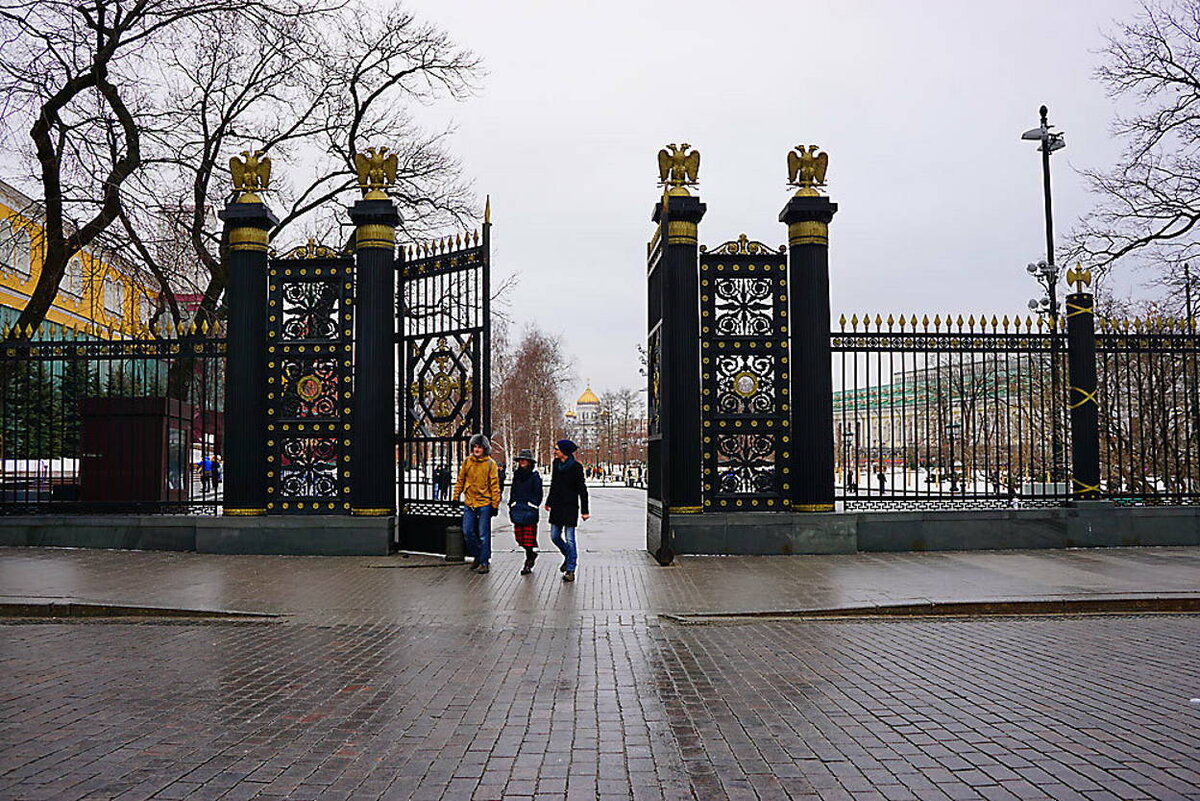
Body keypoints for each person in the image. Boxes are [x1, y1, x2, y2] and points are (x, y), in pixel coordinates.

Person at [453, 434, 501, 574]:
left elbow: (494, 485)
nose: (477, 449)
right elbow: (460, 480)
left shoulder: (490, 464)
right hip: (469, 502)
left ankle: (484, 562)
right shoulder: (467, 462)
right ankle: (478, 555)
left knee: (483, 534)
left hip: (484, 503)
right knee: (467, 531)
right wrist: (455, 497)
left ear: (484, 448)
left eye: (479, 447)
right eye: (475, 446)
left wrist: (495, 505)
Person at [545, 438, 589, 582]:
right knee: (554, 536)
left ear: (564, 451)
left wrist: (585, 510)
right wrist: (549, 501)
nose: (554, 451)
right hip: (557, 506)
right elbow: (554, 484)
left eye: (557, 448)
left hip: (570, 507)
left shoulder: (576, 467)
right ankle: (568, 555)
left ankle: (571, 569)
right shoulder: (556, 464)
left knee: (570, 538)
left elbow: (582, 489)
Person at [508, 448, 543, 575]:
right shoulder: (517, 475)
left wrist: (533, 505)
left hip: (529, 511)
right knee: (519, 538)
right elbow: (513, 490)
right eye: (521, 460)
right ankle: (531, 554)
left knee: (528, 539)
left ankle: (528, 561)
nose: (522, 462)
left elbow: (538, 494)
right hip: (518, 509)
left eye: (525, 460)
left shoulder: (535, 476)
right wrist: (512, 504)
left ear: (529, 462)